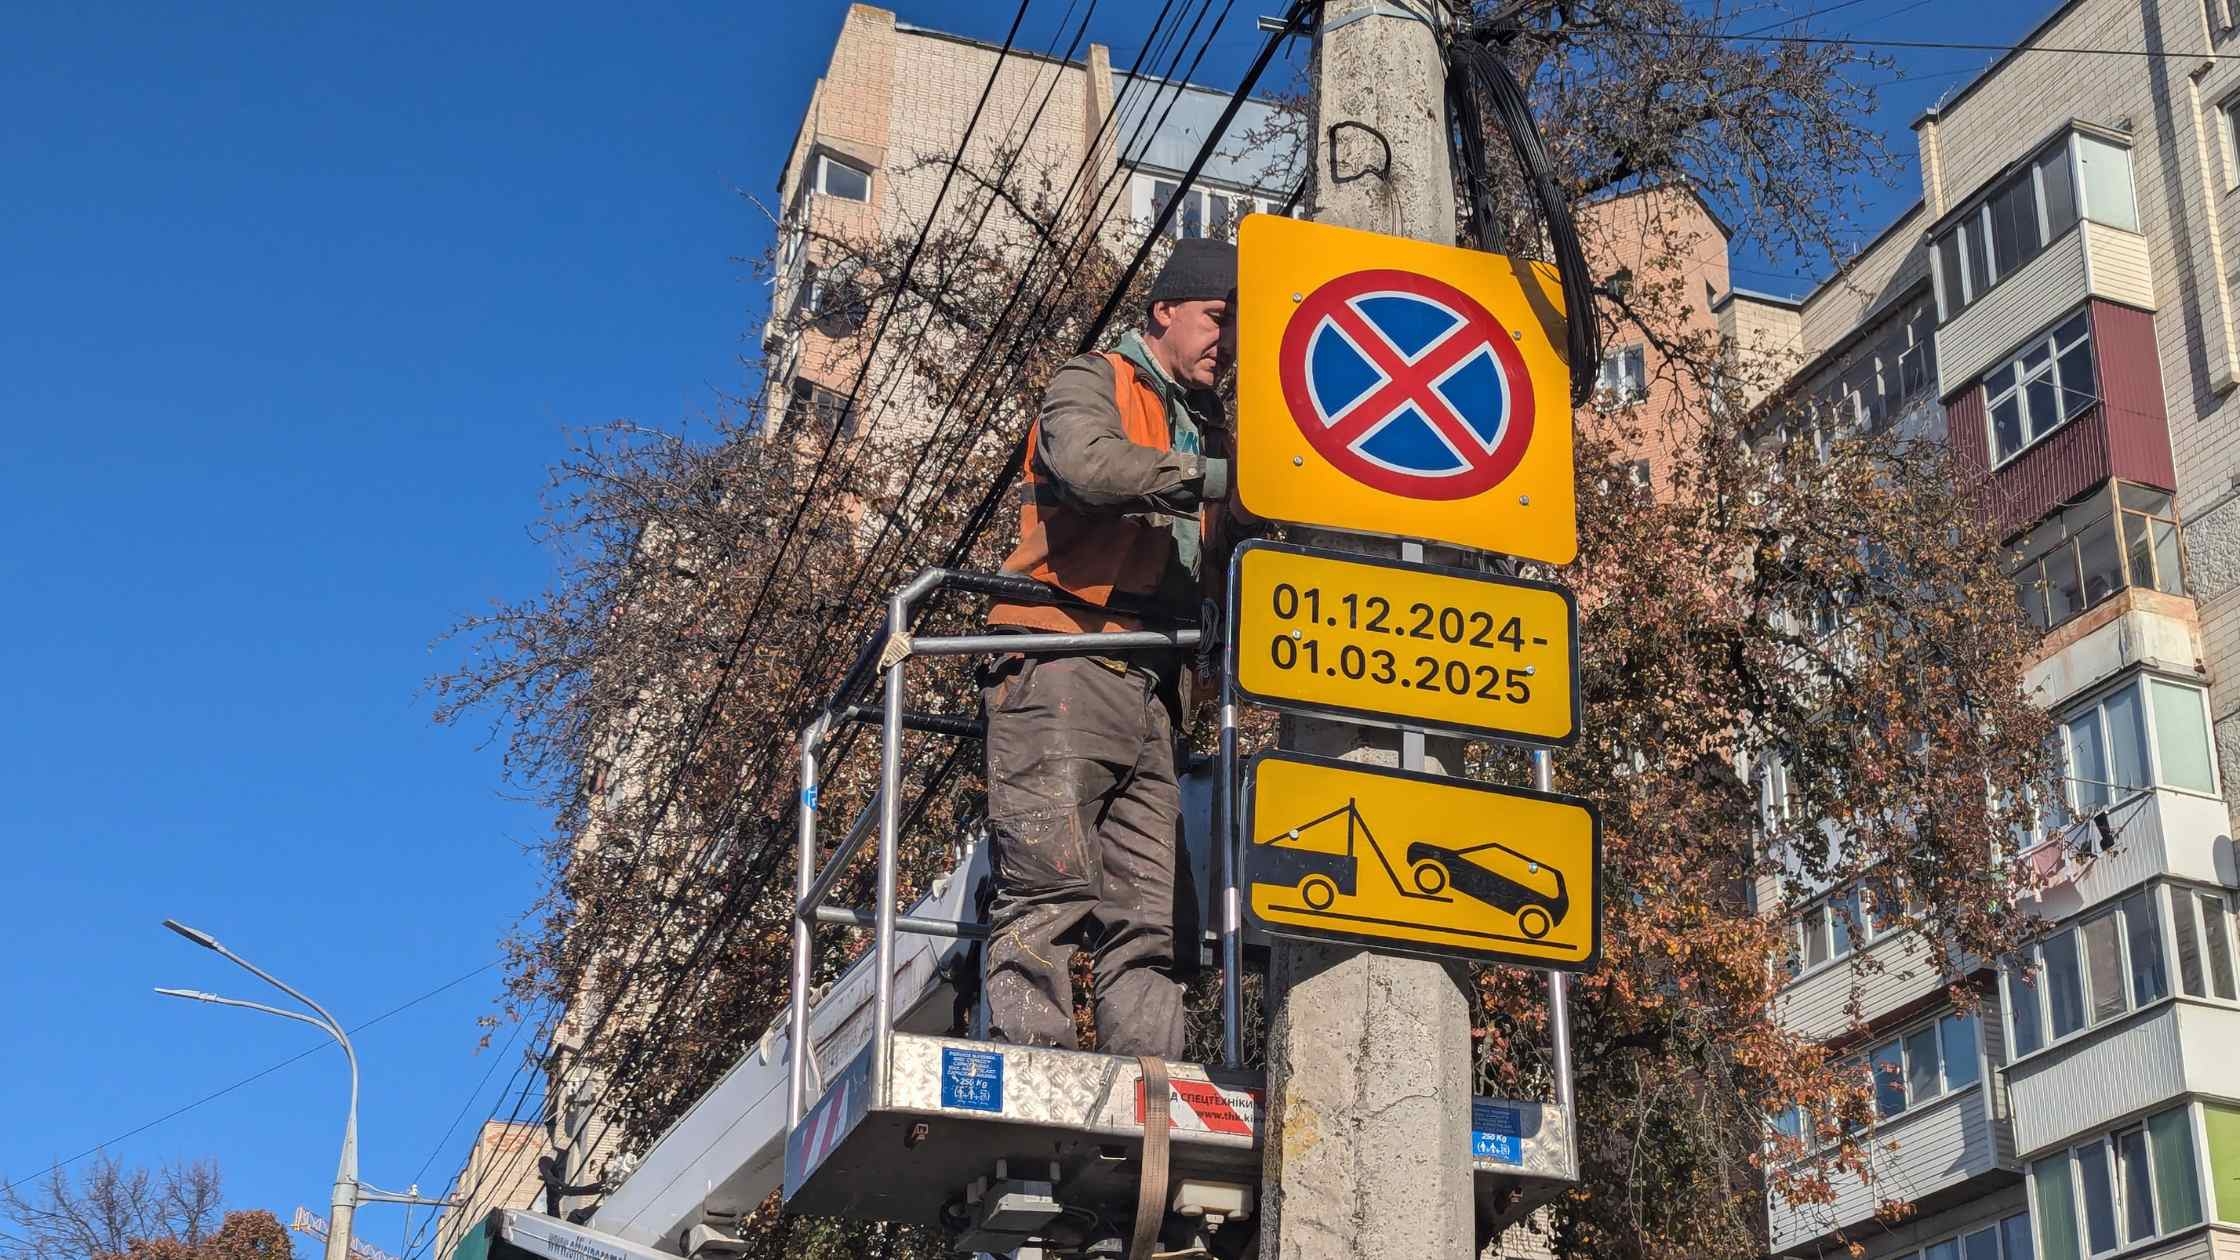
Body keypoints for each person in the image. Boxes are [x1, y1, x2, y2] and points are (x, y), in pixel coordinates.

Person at [979, 237, 1240, 1060]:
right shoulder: (1094, 380)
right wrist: (1220, 479)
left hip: (1153, 688)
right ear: (1165, 310)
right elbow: (1089, 467)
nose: (1226, 345)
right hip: (1065, 657)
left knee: (1153, 915)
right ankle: (1038, 1073)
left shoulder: (1213, 426)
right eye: (1217, 319)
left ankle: (1149, 1092)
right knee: (1049, 884)